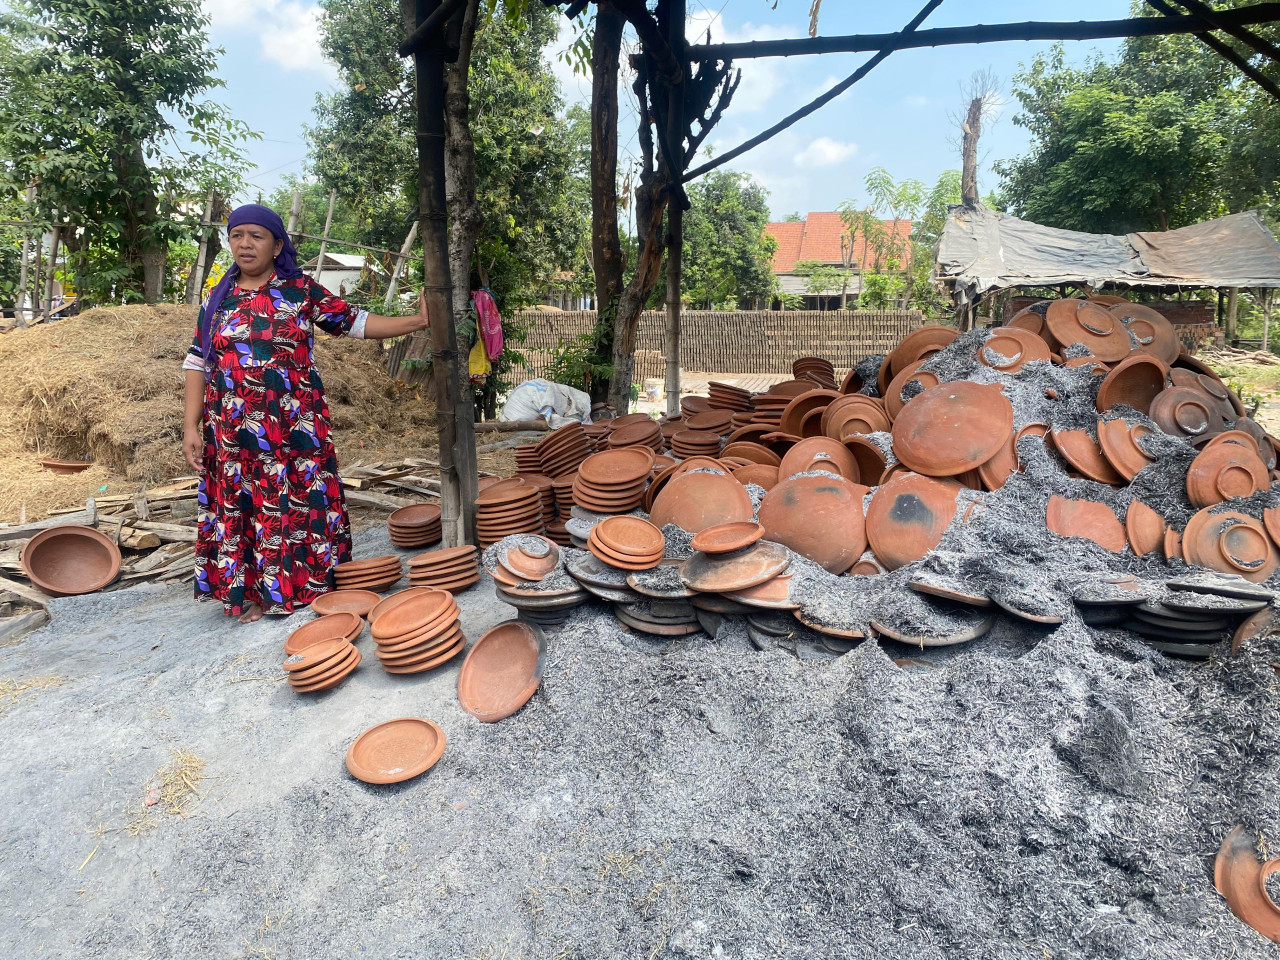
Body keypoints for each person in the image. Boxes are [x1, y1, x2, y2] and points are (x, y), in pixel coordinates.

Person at [182, 204, 430, 623]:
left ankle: (304, 588)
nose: (245, 243)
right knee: (245, 505)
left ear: (277, 244)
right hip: (232, 432)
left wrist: (418, 321)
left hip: (293, 428)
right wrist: (190, 425)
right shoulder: (218, 297)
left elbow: (355, 322)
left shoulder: (299, 289)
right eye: (237, 234)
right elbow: (196, 361)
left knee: (295, 504)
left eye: (256, 235)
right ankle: (253, 593)